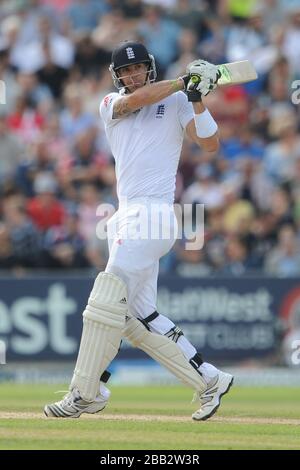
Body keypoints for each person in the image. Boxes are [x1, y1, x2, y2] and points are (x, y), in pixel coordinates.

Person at [44, 40, 233, 421]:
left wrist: (197, 96)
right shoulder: (109, 105)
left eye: (139, 68)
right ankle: (209, 380)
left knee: (107, 294)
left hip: (155, 213)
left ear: (150, 67)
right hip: (127, 214)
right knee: (135, 316)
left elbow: (210, 144)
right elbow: (135, 101)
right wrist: (185, 80)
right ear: (117, 76)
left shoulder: (178, 100)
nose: (132, 75)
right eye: (126, 71)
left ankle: (85, 392)